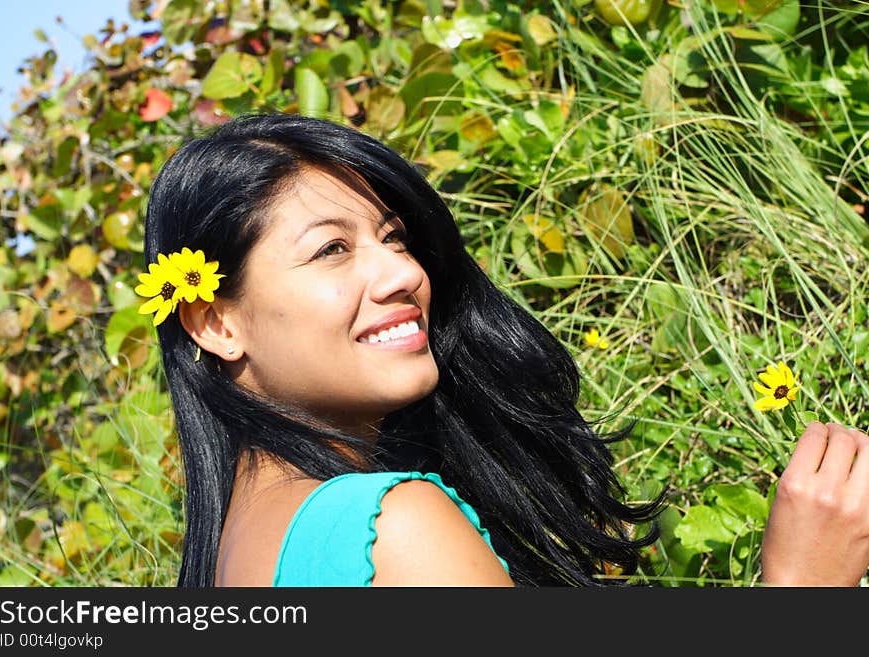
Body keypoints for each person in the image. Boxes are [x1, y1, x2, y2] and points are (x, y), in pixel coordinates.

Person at [137, 112, 869, 587]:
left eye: (393, 237)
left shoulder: (234, 564)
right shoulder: (390, 525)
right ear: (213, 322)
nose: (404, 272)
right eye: (331, 249)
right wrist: (803, 584)